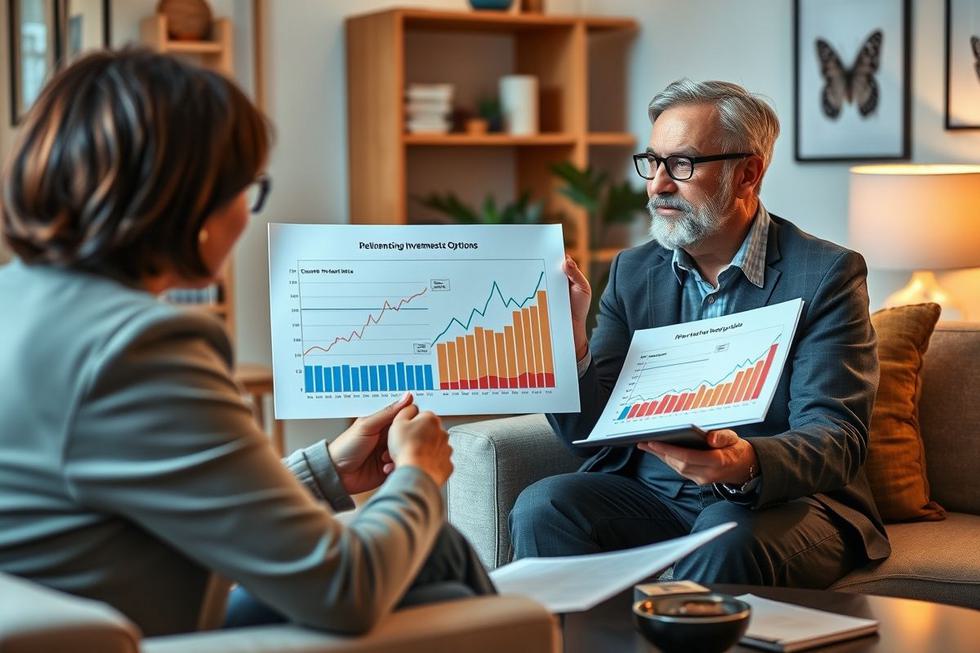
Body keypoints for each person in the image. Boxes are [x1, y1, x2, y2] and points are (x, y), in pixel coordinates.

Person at [0, 49, 493, 637]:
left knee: (432, 563)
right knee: (434, 549)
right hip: (154, 638)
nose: (245, 214)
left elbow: (162, 486)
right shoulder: (139, 347)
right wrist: (419, 472)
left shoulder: (18, 297)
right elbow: (344, 588)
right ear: (191, 201)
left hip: (83, 619)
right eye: (246, 190)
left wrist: (327, 470)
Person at [509, 79, 889, 588]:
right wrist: (570, 338)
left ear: (748, 173)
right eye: (653, 162)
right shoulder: (633, 271)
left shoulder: (825, 274)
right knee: (544, 506)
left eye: (683, 164)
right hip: (657, 494)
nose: (659, 184)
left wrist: (745, 462)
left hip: (781, 501)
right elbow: (590, 435)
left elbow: (836, 437)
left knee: (723, 532)